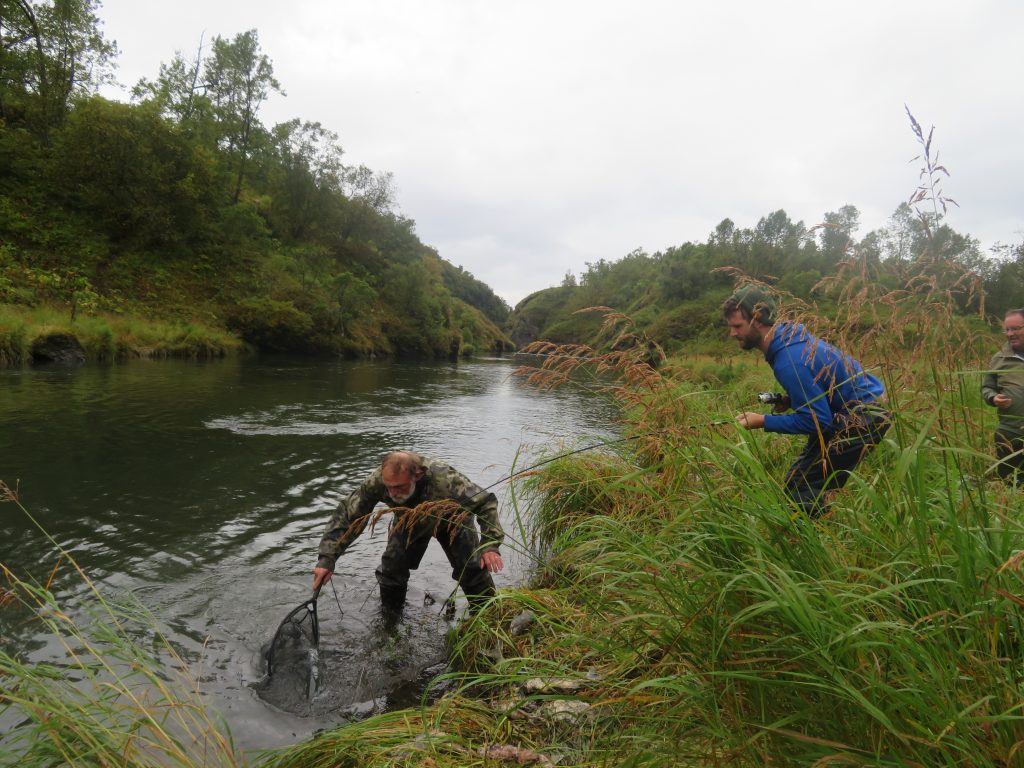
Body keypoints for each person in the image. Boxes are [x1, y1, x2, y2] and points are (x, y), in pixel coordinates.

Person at [722, 285, 890, 518]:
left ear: (757, 320)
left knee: (800, 487)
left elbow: (818, 422)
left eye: (737, 326)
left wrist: (763, 421)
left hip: (863, 416)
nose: (732, 333)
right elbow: (824, 390)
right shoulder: (793, 341)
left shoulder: (789, 359)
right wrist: (792, 401)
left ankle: (814, 542)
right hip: (864, 407)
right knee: (808, 480)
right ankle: (825, 523)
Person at [312, 451, 504, 616]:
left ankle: (489, 618)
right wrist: (327, 558)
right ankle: (391, 619)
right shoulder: (378, 481)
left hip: (453, 520)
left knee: (472, 570)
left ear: (417, 475)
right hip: (409, 520)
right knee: (392, 569)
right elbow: (348, 515)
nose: (393, 493)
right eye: (389, 487)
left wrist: (490, 544)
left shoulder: (445, 479)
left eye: (399, 487)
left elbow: (485, 502)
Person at [981, 309, 1024, 484]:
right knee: (1010, 483)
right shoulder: (999, 358)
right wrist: (993, 398)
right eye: (1007, 330)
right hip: (1009, 433)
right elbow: (986, 387)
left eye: (1015, 328)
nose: (1010, 334)